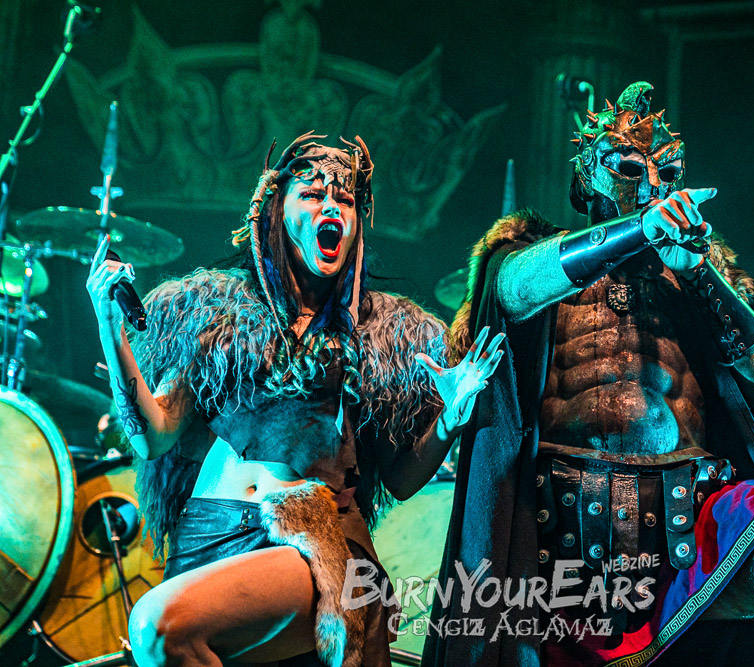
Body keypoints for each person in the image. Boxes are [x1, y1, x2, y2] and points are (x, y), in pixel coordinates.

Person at [423, 83, 754, 667]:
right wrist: (642, 229)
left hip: (696, 524)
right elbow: (511, 288)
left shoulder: (702, 273)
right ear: (587, 177)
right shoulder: (531, 254)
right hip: (554, 541)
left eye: (667, 171)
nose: (652, 183)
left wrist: (701, 274)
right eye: (629, 167)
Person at [85, 133, 504, 667]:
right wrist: (109, 323)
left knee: (156, 627)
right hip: (208, 535)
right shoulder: (213, 310)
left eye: (345, 199)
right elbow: (153, 436)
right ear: (275, 213)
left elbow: (399, 479)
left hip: (313, 544)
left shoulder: (383, 332)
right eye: (312, 193)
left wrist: (449, 419)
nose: (331, 206)